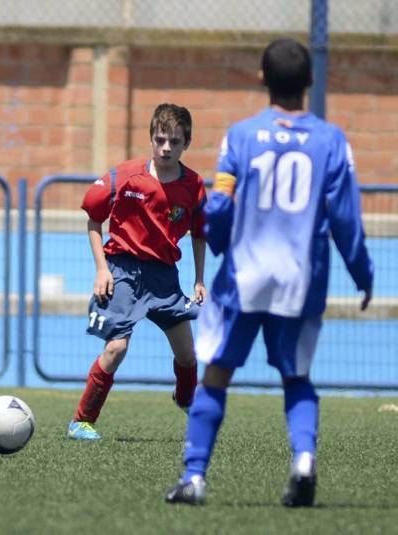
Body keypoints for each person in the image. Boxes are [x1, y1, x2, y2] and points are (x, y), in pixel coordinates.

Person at [165, 38, 374, 507]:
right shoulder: (331, 140)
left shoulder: (241, 136)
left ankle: (195, 478)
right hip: (301, 281)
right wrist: (362, 272)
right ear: (311, 81)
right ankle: (303, 461)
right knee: (297, 378)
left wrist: (218, 243)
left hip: (244, 278)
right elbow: (345, 217)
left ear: (262, 79)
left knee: (216, 374)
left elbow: (218, 204)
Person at [67, 103, 207, 441]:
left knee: (187, 355)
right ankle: (81, 421)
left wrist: (199, 278)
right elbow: (93, 219)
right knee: (116, 349)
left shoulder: (194, 185)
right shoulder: (125, 175)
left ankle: (187, 400)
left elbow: (200, 233)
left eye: (174, 142)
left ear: (186, 143)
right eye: (160, 140)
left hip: (164, 277)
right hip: (123, 271)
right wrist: (102, 269)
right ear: (150, 139)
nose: (166, 148)